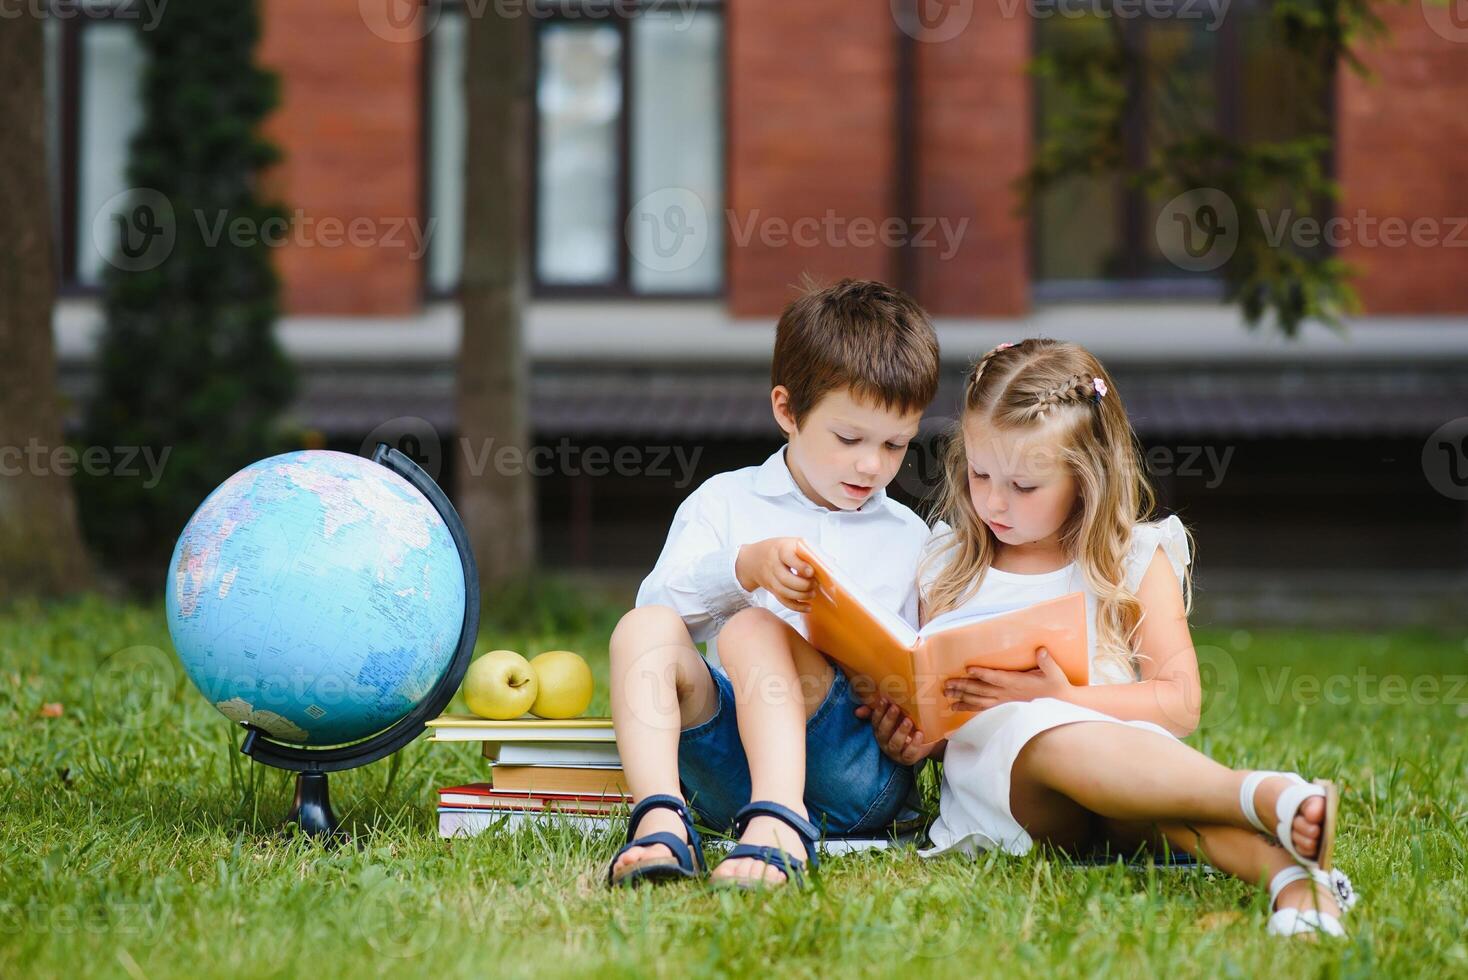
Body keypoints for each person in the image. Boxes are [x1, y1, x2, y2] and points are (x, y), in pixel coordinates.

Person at [858, 338, 1357, 937]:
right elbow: (953, 721)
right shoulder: (946, 564)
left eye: (1024, 487)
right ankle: (1258, 794)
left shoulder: (1133, 558)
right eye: (980, 473)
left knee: (1142, 785)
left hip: (1132, 783)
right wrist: (917, 738)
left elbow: (1180, 703)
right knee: (1032, 726)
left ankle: (1297, 885)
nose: (993, 501)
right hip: (1015, 803)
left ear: (1084, 479)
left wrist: (1065, 698)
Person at [605, 278, 940, 888]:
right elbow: (653, 618)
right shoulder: (725, 501)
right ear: (787, 410)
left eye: (897, 444)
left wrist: (920, 728)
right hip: (726, 771)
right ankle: (661, 821)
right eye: (849, 439)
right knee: (645, 627)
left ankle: (781, 823)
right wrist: (741, 570)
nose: (873, 465)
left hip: (850, 772)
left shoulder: (910, 537)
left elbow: (931, 673)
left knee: (757, 628)